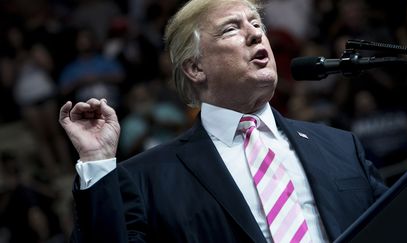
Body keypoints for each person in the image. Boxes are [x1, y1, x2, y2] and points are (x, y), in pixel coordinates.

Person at [59, 0, 387, 242]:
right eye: (232, 28)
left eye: (257, 24)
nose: (255, 35)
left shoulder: (343, 147)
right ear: (195, 68)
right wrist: (97, 162)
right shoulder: (147, 179)